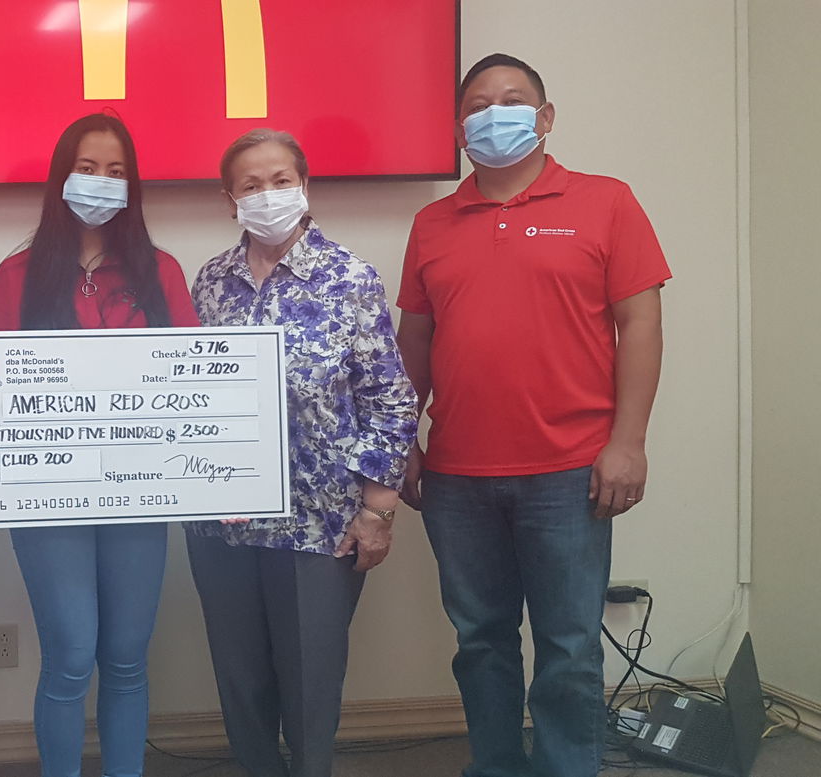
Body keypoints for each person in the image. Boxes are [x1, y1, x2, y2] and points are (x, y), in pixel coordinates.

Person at [396, 54, 670, 777]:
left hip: (571, 470)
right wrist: (402, 439)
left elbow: (640, 322)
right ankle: (495, 765)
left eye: (513, 100)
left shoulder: (606, 201)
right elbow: (414, 342)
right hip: (456, 477)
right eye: (479, 105)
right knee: (480, 641)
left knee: (569, 646)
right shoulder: (431, 224)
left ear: (545, 119)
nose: (495, 114)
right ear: (460, 130)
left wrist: (629, 442)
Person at [185, 129, 418, 777]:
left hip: (321, 524)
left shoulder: (349, 279)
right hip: (222, 522)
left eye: (281, 180)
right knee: (241, 684)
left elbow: (390, 401)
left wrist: (379, 508)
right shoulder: (210, 283)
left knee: (311, 688)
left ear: (305, 186)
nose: (268, 195)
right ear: (229, 198)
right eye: (252, 184)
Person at [0, 113, 200, 777]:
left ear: (132, 185)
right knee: (72, 654)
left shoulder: (161, 271)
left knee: (128, 656)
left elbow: (197, 383)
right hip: (49, 500)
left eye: (115, 171)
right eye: (87, 168)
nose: (101, 182)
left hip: (139, 493)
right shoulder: (17, 274)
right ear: (61, 179)